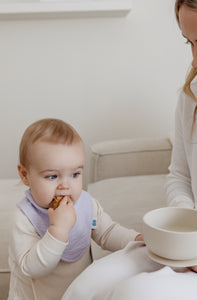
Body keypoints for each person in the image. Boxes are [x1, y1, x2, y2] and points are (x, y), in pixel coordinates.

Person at [61, 1, 197, 299]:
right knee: (85, 288)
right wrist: (185, 227)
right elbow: (179, 176)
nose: (194, 60)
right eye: (190, 43)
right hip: (186, 246)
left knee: (135, 294)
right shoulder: (191, 97)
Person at [7, 118, 143, 300]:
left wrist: (135, 240)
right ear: (25, 175)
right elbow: (32, 268)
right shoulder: (25, 217)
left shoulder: (86, 205)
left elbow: (107, 232)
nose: (65, 186)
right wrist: (58, 231)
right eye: (52, 176)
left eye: (74, 174)